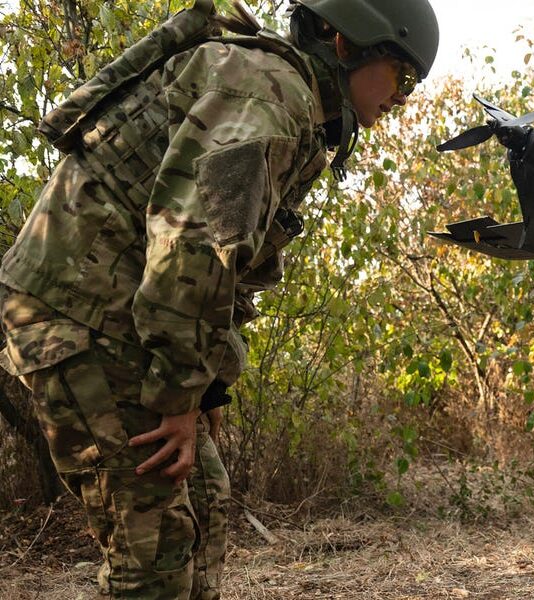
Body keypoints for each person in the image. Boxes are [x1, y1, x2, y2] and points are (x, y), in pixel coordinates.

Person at [0, 0, 438, 598]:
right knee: (152, 550)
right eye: (402, 76)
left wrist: (205, 386)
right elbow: (193, 243)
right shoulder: (267, 98)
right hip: (79, 314)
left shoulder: (290, 100)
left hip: (121, 314)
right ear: (345, 43)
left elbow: (231, 262)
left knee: (204, 500)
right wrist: (178, 390)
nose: (403, 98)